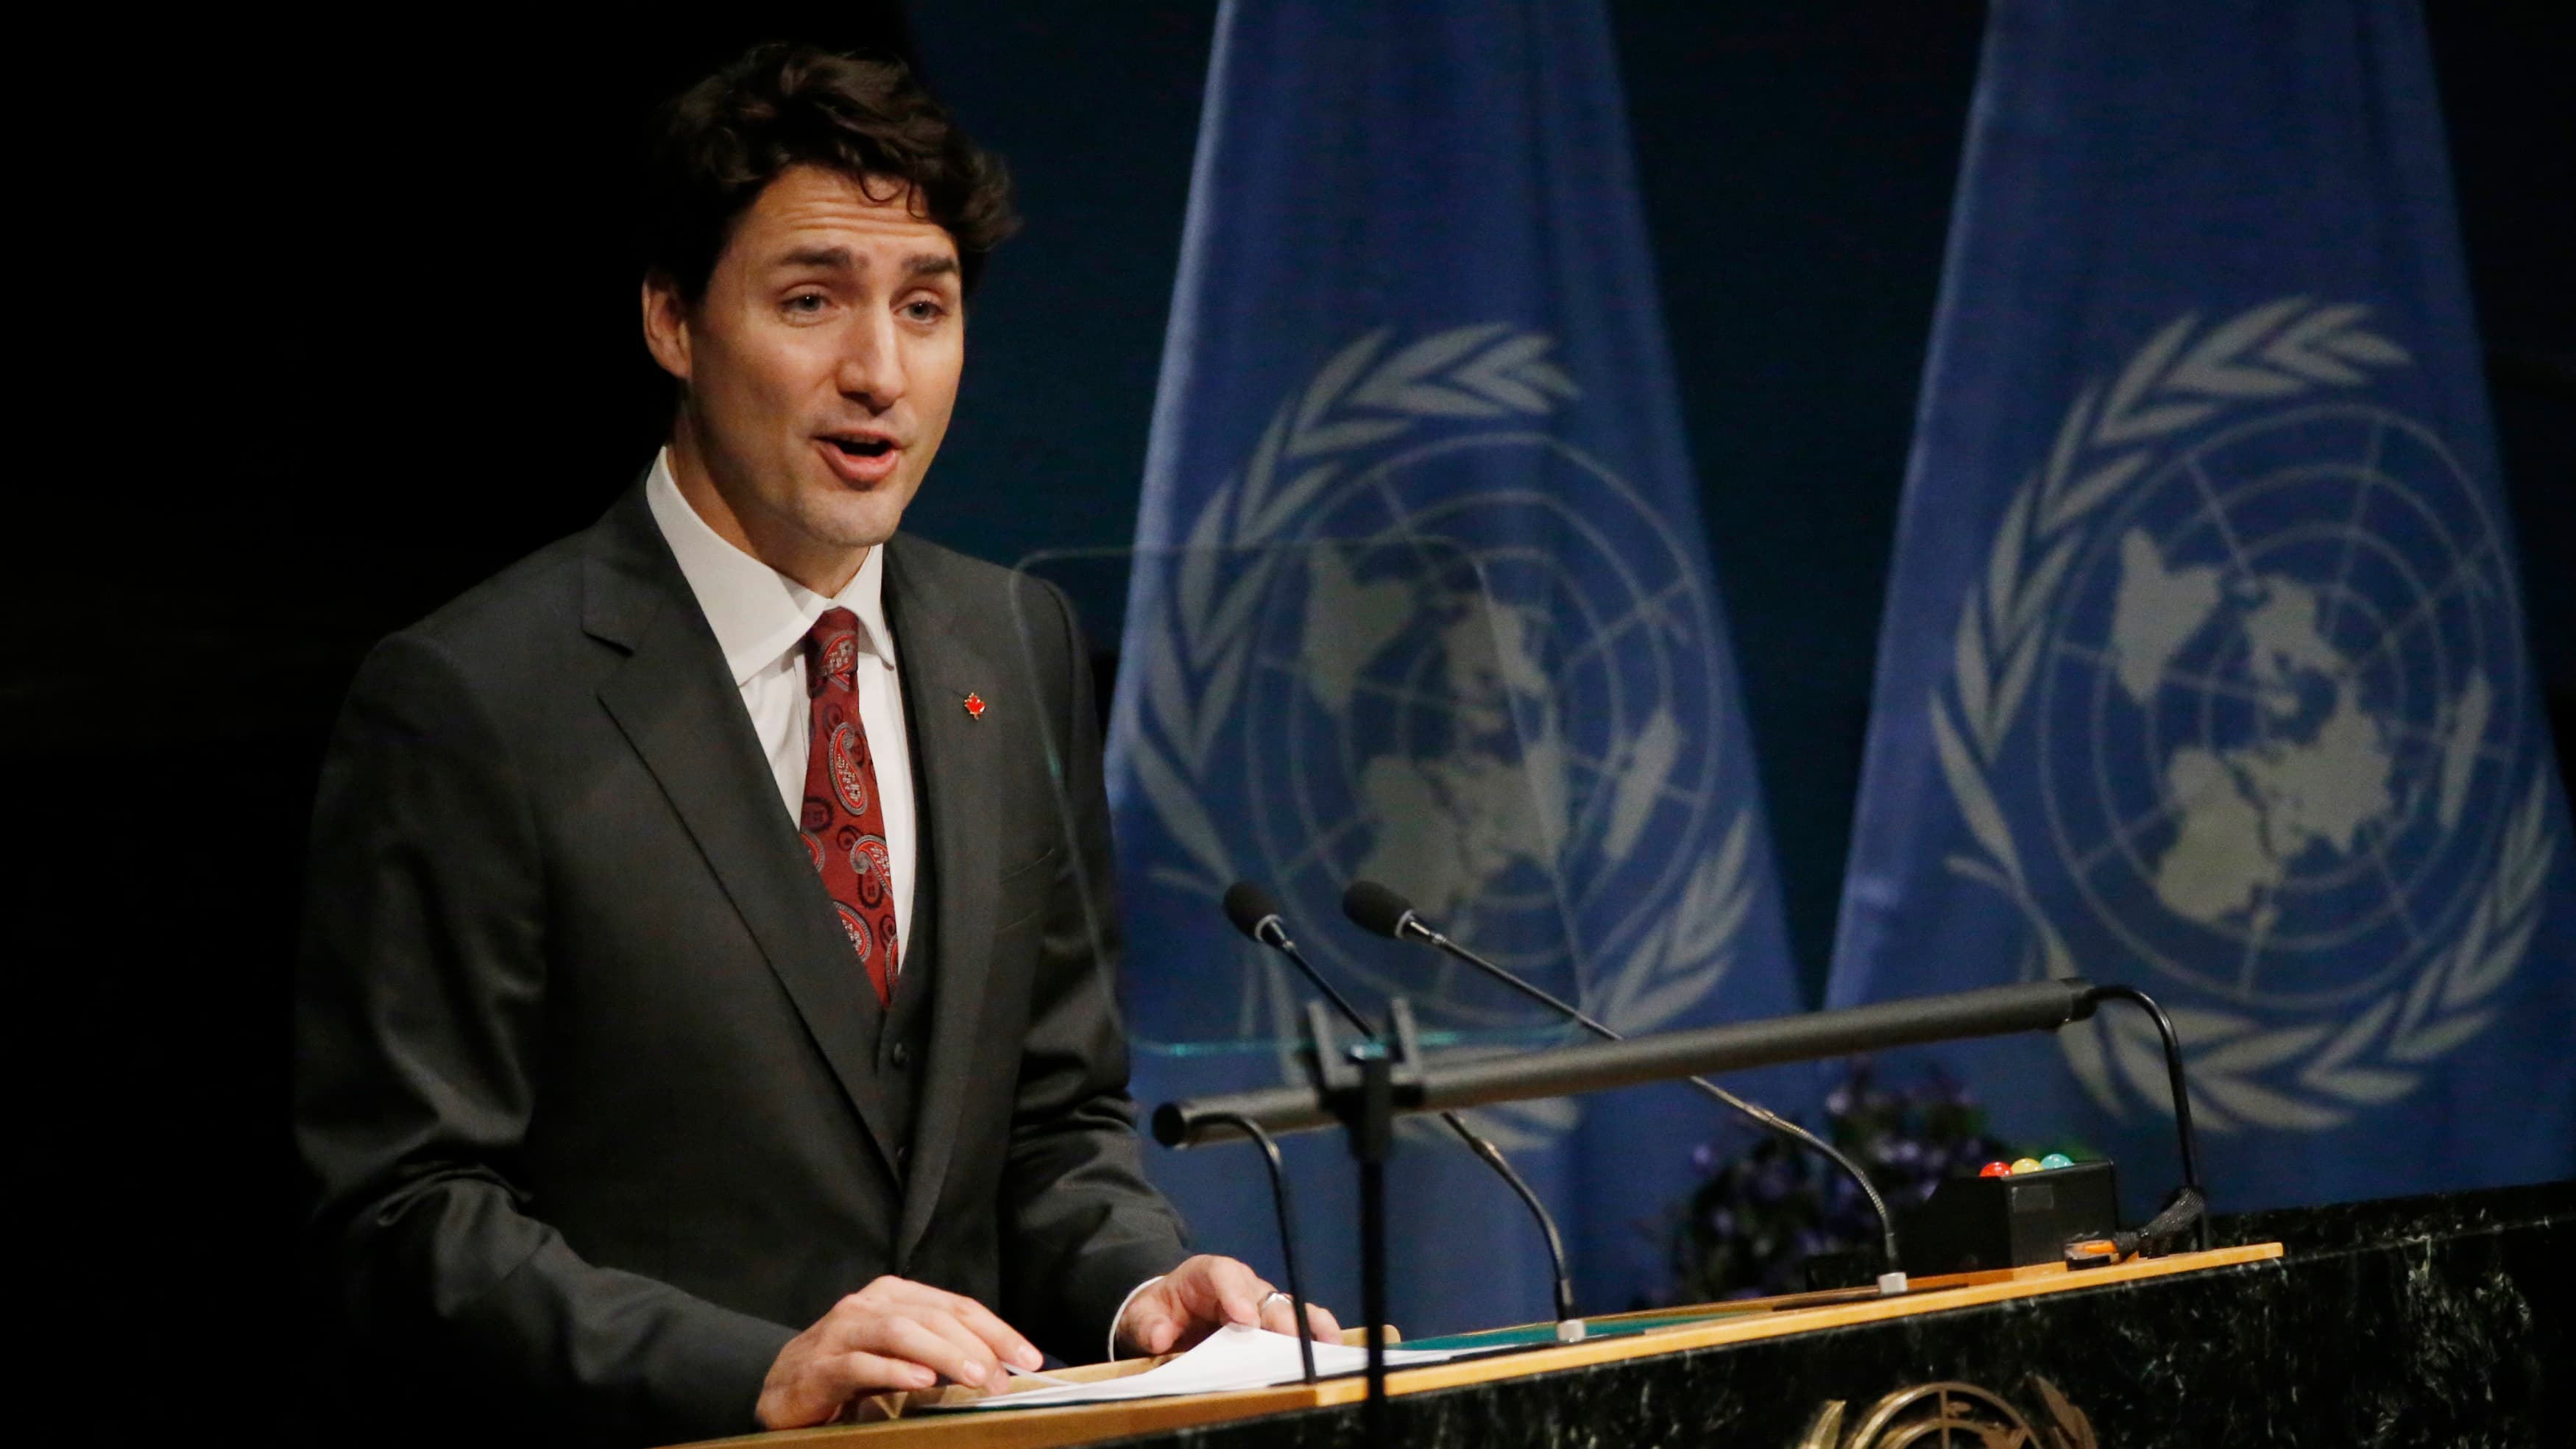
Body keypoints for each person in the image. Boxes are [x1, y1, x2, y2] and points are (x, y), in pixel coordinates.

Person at [292, 42, 1335, 1444]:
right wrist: (754, 1371)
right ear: (671, 318)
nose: (879, 372)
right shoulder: (474, 696)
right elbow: (404, 1212)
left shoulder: (1014, 644)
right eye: (809, 301)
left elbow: (1052, 1118)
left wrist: (1141, 1289)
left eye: (926, 306)